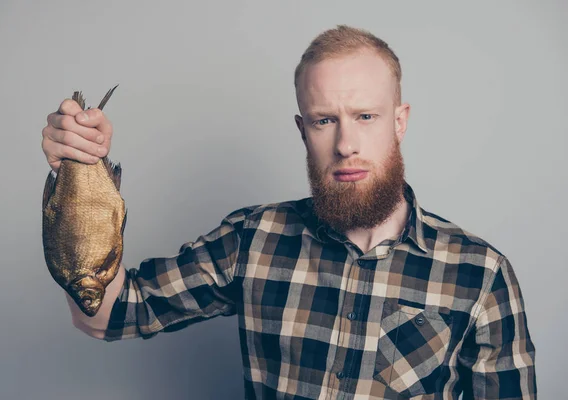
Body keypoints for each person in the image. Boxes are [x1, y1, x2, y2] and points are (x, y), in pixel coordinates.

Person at [40, 25, 536, 399]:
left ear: (399, 121)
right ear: (303, 129)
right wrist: (79, 169)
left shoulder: (480, 275)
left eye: (366, 116)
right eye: (325, 120)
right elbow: (109, 315)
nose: (346, 144)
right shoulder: (255, 239)